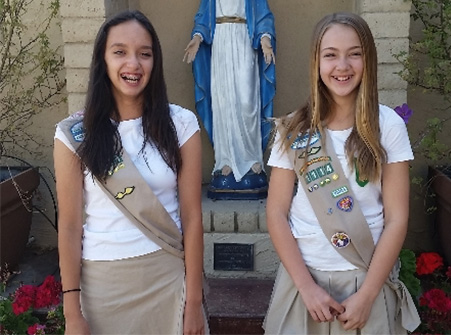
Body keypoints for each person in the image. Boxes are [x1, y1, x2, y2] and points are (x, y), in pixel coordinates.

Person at [263, 12, 420, 334]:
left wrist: (368, 295)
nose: (342, 66)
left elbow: (397, 219)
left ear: (368, 60)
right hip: (305, 281)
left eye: (355, 54)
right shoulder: (293, 129)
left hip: (366, 277)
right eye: (330, 55)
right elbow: (276, 213)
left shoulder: (387, 125)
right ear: (316, 62)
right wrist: (307, 288)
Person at [54, 10, 207, 335]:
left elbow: (193, 218)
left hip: (166, 277)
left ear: (156, 62)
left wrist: (193, 302)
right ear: (103, 60)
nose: (133, 64)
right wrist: (72, 313)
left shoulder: (181, 125)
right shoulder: (73, 135)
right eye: (120, 52)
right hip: (102, 285)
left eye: (145, 54)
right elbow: (69, 226)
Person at [183, 0, 276, 190]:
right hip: (220, 43)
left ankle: (252, 160)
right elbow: (203, 18)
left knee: (247, 101)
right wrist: (197, 37)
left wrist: (265, 38)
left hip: (245, 41)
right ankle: (225, 161)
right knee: (223, 102)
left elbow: (263, 17)